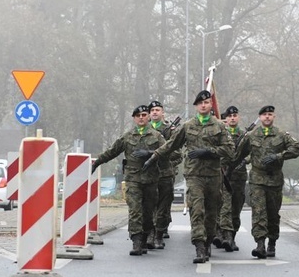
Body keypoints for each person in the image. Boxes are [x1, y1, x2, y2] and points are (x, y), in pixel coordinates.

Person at [143, 90, 234, 264]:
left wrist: (209, 152)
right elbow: (171, 145)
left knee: (211, 214)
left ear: (210, 105)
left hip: (214, 176)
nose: (204, 105)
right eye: (200, 103)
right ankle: (199, 246)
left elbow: (230, 150)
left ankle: (207, 242)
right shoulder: (188, 126)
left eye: (207, 102)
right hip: (194, 176)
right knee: (197, 210)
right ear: (196, 106)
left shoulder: (220, 126)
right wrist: (153, 156)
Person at [92, 105, 165, 256]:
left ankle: (145, 236)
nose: (141, 117)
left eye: (144, 114)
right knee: (135, 210)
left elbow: (169, 152)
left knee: (148, 212)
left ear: (148, 117)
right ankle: (137, 241)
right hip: (133, 179)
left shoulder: (157, 136)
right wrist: (97, 162)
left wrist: (150, 153)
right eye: (138, 115)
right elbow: (112, 151)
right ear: (134, 118)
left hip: (151, 180)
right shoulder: (127, 137)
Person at [232, 105, 299, 258]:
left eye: (270, 114)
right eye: (264, 115)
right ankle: (260, 244)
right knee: (258, 212)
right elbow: (238, 154)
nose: (267, 117)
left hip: (275, 180)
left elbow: (296, 149)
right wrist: (232, 166)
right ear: (260, 117)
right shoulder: (251, 135)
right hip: (257, 180)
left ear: (274, 117)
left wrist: (279, 156)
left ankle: (272, 242)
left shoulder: (282, 135)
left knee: (273, 214)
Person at [147, 100, 181, 248]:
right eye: (152, 110)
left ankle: (159, 233)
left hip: (165, 173)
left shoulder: (170, 130)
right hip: (147, 173)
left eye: (157, 110)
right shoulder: (143, 129)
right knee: (149, 206)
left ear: (162, 113)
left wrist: (163, 156)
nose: (155, 112)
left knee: (162, 207)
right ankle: (150, 233)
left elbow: (178, 154)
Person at [215, 105, 247, 252]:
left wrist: (246, 160)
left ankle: (232, 237)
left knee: (236, 209)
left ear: (238, 117)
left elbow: (254, 151)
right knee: (225, 207)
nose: (232, 118)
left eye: (235, 115)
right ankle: (224, 235)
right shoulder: (221, 134)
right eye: (229, 116)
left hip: (239, 177)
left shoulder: (245, 135)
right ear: (226, 119)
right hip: (223, 176)